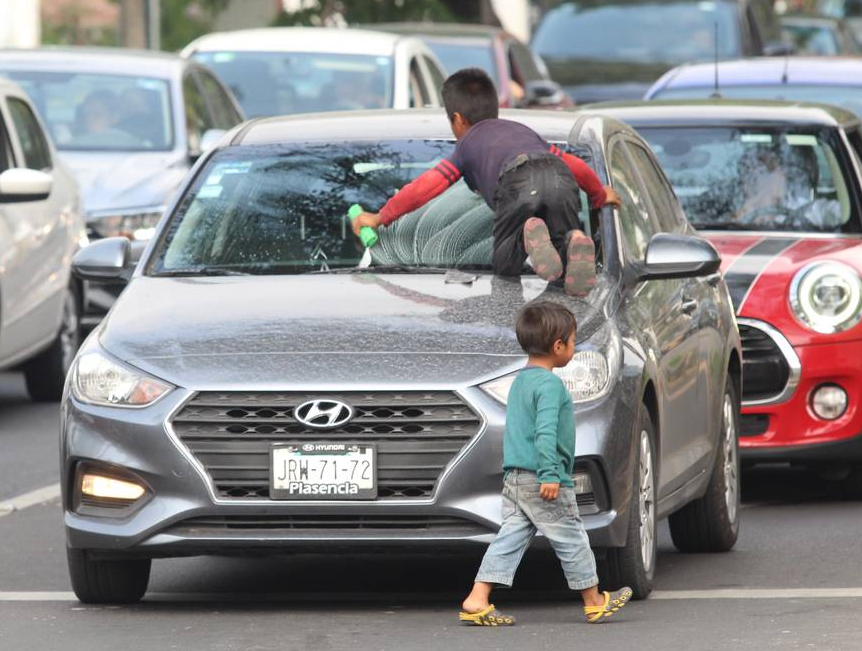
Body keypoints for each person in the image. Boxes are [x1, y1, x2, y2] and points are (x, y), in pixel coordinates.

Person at [351, 68, 620, 296]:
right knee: (562, 252)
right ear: (495, 109)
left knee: (505, 263)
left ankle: (525, 238)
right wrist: (598, 195)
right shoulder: (522, 131)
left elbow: (426, 186)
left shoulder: (467, 145)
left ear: (457, 119)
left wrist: (380, 217)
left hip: (517, 182)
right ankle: (574, 239)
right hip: (559, 175)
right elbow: (574, 165)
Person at [458, 301, 633, 626]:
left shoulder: (520, 381)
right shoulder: (550, 386)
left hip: (516, 477)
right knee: (572, 536)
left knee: (510, 537)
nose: (574, 346)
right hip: (544, 478)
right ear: (558, 346)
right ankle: (594, 601)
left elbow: (518, 431)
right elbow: (545, 432)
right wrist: (550, 474)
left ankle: (477, 597)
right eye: (573, 340)